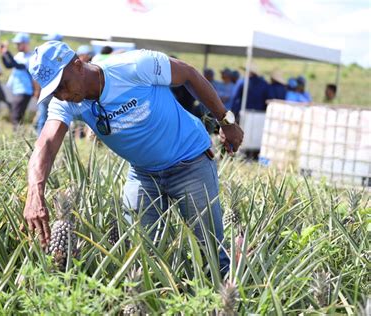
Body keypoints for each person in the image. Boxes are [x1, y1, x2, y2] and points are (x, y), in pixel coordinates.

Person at [23, 41, 244, 275]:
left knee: (210, 250)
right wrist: (34, 193)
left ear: (78, 64)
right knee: (140, 254)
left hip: (191, 163)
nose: (63, 95)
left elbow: (188, 73)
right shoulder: (66, 104)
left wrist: (226, 121)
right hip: (143, 174)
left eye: (63, 85)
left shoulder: (134, 66)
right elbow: (45, 143)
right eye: (55, 91)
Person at [0, 33, 39, 127]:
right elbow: (9, 65)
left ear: (25, 44)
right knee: (17, 115)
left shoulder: (31, 57)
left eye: (18, 44)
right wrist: (3, 54)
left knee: (15, 116)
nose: (16, 46)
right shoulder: (19, 55)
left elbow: (17, 65)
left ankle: (17, 135)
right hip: (17, 89)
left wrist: (6, 52)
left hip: (25, 90)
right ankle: (18, 135)